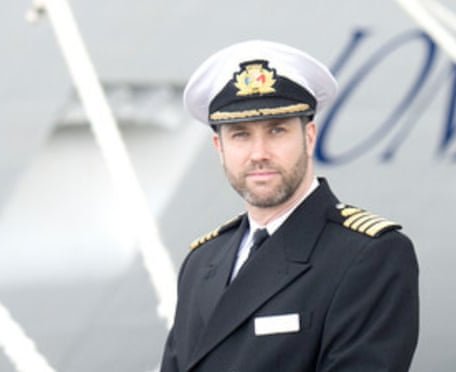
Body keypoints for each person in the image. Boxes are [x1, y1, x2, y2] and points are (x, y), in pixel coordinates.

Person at [160, 40, 419, 372]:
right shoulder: (202, 262)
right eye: (240, 135)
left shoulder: (368, 256)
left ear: (309, 136)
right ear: (219, 147)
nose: (259, 153)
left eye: (277, 131)